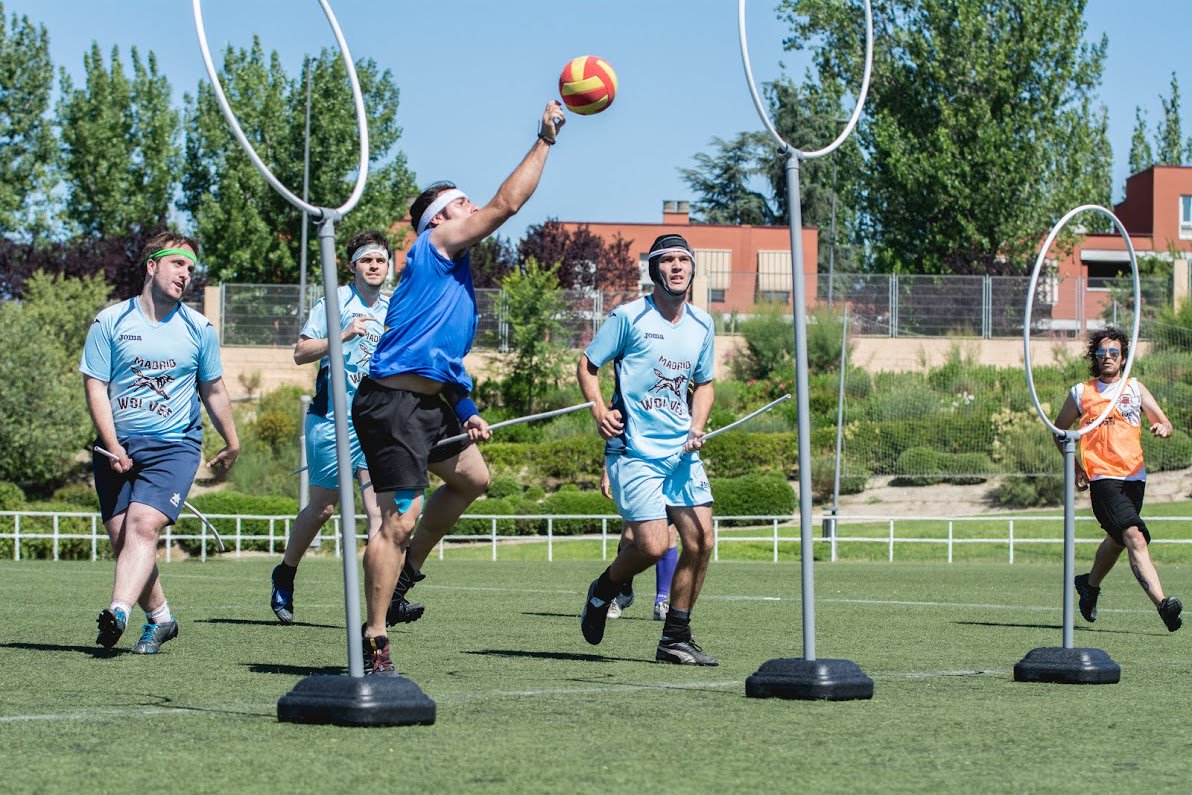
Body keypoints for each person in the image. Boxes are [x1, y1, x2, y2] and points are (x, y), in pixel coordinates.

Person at [351, 101, 565, 675]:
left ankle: (405, 576)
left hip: (427, 402)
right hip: (391, 405)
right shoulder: (434, 247)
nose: (473, 209)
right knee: (396, 519)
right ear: (438, 223)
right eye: (460, 205)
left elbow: (443, 360)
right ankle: (374, 639)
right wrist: (543, 141)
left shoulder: (456, 276)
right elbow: (508, 204)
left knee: (473, 477)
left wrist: (465, 407)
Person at [81, 231, 239, 653]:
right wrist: (112, 444)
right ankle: (162, 618)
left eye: (191, 268)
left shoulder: (199, 328)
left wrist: (232, 439)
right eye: (178, 264)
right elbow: (95, 385)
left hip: (176, 445)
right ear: (152, 266)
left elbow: (214, 388)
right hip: (117, 444)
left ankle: (118, 611)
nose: (186, 274)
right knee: (123, 539)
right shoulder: (109, 321)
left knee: (142, 526)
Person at [577, 233, 718, 665]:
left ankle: (675, 637)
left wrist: (696, 427)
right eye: (668, 260)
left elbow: (706, 385)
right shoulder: (629, 316)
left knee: (701, 541)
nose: (677, 267)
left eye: (684, 260)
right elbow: (587, 365)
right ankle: (604, 589)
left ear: (692, 268)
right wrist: (599, 409)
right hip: (633, 450)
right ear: (654, 269)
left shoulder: (703, 324)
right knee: (653, 546)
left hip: (682, 452)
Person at [269, 230, 398, 625]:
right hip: (331, 419)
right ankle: (285, 572)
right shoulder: (335, 301)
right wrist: (341, 335)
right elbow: (300, 352)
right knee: (324, 507)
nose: (374, 266)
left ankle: (383, 604)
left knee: (380, 514)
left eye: (380, 260)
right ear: (353, 266)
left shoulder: (394, 308)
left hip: (375, 420)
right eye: (366, 260)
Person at [1054, 326, 1181, 632]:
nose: (1107, 357)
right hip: (1103, 479)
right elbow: (1059, 432)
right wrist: (1078, 468)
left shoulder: (1134, 388)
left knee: (1117, 541)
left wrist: (1164, 428)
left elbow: (1163, 422)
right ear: (1094, 358)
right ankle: (1163, 604)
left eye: (1114, 353)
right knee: (1134, 536)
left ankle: (1089, 585)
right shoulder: (1081, 392)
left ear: (1123, 358)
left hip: (1134, 479)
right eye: (1101, 353)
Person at [600, 453, 677, 622]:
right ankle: (623, 592)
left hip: (671, 461)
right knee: (629, 534)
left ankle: (662, 600)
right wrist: (607, 468)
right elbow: (616, 431)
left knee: (669, 530)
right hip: (636, 463)